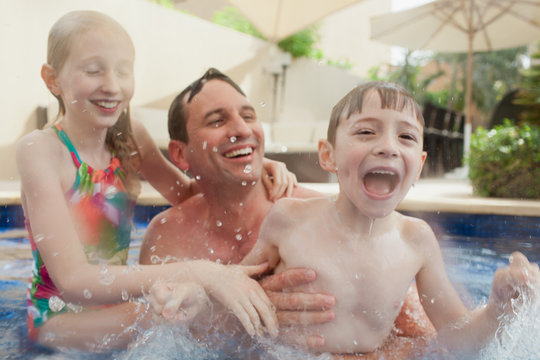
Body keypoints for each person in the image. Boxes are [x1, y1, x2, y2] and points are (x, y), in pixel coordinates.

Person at [17, 10, 299, 351]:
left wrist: (252, 165)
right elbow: (74, 281)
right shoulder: (42, 150)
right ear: (52, 79)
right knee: (174, 314)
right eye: (94, 70)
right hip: (58, 322)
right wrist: (200, 272)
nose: (112, 85)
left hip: (119, 310)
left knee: (185, 315)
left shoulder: (127, 135)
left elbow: (191, 192)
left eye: (123, 71)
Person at [140, 69, 436, 354]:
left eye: (248, 116)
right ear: (179, 153)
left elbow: (419, 335)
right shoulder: (167, 235)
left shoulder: (319, 219)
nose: (242, 130)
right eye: (217, 121)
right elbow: (149, 337)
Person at [241, 81, 540, 356]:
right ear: (328, 155)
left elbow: (456, 338)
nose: (388, 146)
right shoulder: (289, 219)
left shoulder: (416, 239)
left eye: (406, 136)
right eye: (366, 132)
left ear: (419, 165)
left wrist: (498, 309)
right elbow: (234, 294)